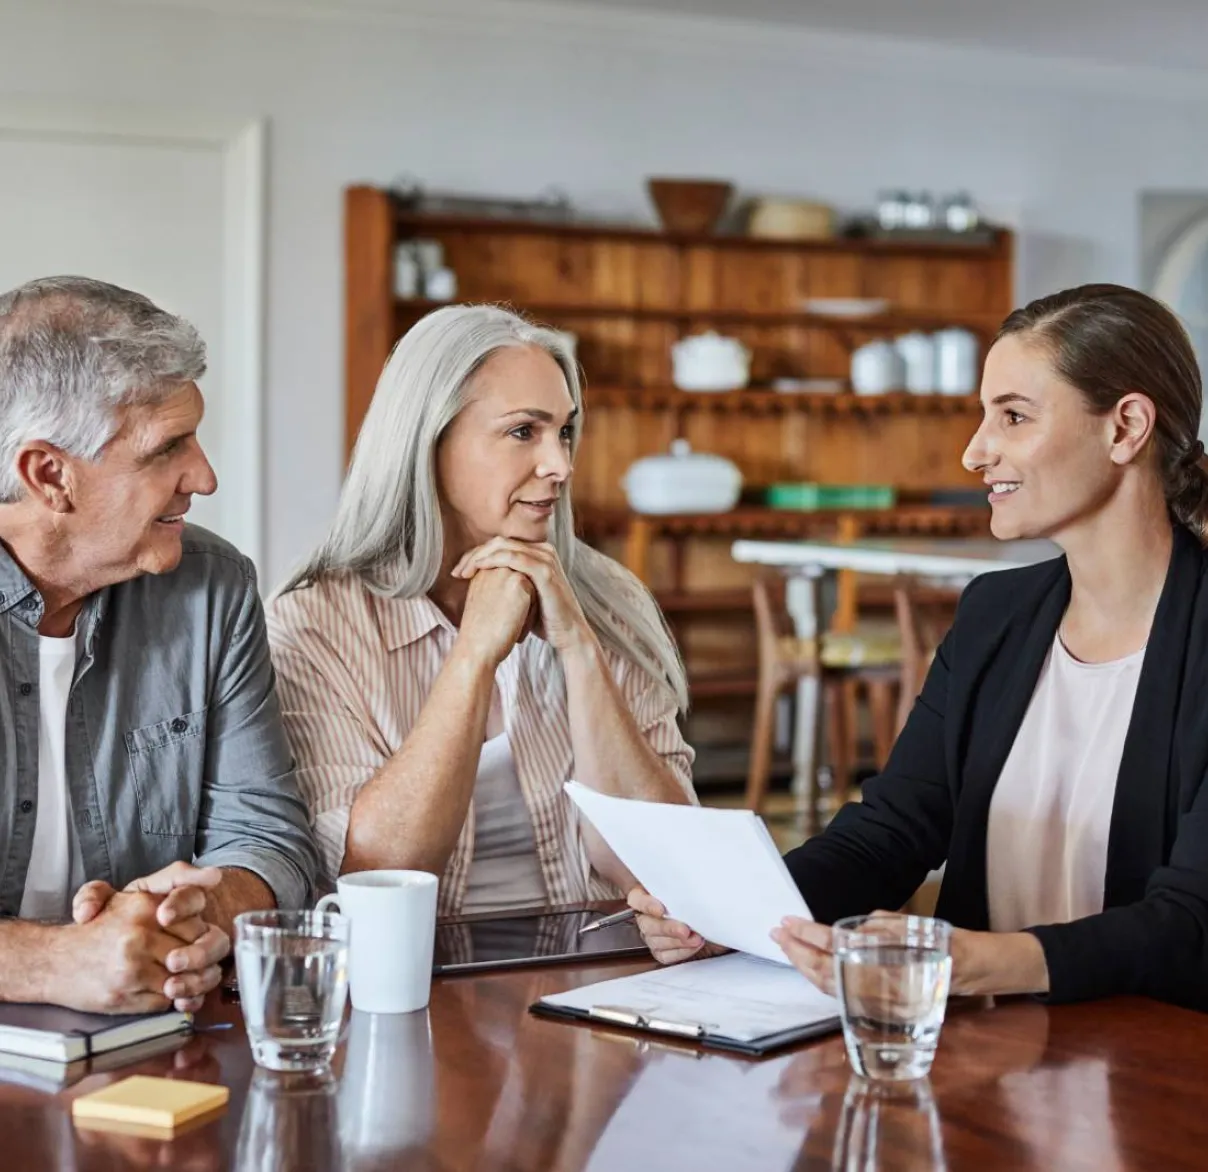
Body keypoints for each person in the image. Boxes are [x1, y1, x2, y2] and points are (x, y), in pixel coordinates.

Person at [633, 284, 1208, 1011]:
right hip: (984, 1062)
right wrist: (736, 916)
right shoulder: (997, 616)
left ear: (1125, 427)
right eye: (982, 416)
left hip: (1156, 1079)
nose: (975, 452)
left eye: (1014, 417)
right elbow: (892, 831)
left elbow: (1190, 926)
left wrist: (974, 961)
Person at [267, 304, 696, 913]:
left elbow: (669, 868)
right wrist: (473, 655)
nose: (561, 465)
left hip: (600, 972)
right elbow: (377, 875)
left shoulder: (609, 599)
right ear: (428, 443)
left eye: (564, 431)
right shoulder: (314, 626)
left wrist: (579, 648)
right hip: (420, 981)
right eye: (524, 431)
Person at [0, 277, 319, 1014]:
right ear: (49, 474)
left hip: (154, 1042)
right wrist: (52, 964)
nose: (203, 476)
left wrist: (195, 919)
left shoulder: (212, 588)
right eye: (165, 448)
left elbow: (269, 836)